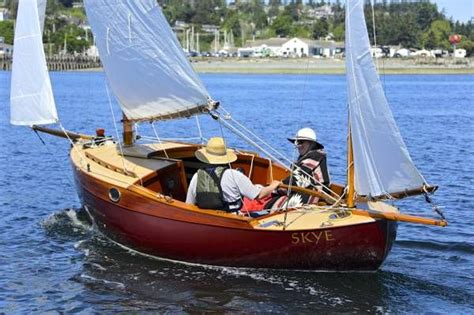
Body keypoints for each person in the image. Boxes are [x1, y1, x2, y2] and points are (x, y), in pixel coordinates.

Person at [186, 137, 280, 212]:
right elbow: (258, 195)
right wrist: (273, 185)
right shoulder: (234, 175)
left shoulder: (197, 176)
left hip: (209, 219)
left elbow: (189, 204)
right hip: (232, 218)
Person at [264, 127, 330, 210]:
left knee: (275, 205)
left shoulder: (316, 155)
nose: (298, 145)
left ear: (312, 144)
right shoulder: (306, 156)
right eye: (297, 142)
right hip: (305, 190)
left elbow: (298, 178)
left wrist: (274, 188)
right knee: (271, 201)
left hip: (316, 194)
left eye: (301, 142)